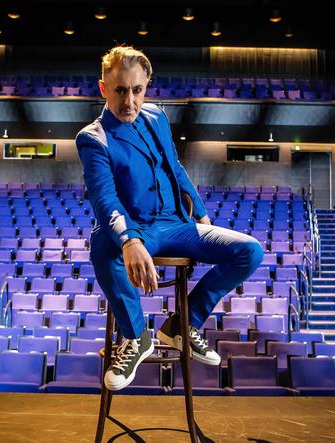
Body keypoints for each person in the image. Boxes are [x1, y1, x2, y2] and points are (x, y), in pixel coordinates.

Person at [76, 46, 263, 391]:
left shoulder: (157, 117)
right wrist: (130, 240)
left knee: (250, 251)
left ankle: (182, 323)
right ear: (103, 88)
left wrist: (203, 214)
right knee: (103, 242)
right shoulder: (93, 138)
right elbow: (104, 198)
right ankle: (136, 336)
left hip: (178, 224)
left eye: (137, 90)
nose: (129, 100)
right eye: (119, 90)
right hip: (139, 229)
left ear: (146, 86)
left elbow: (174, 167)